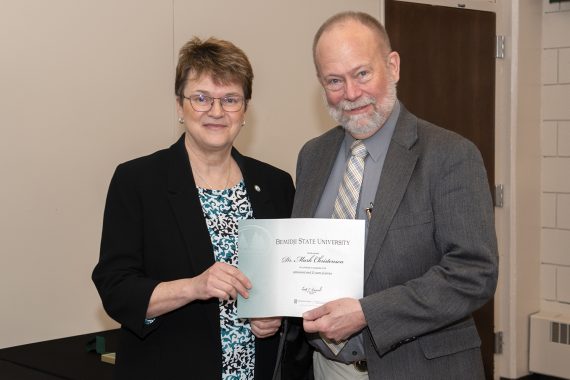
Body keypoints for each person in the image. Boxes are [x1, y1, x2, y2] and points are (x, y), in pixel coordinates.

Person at [285, 11, 498, 380]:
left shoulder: (450, 155)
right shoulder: (312, 156)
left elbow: (473, 272)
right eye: (335, 80)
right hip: (327, 368)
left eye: (362, 73)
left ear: (393, 66)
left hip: (419, 368)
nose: (351, 94)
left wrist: (368, 313)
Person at [92, 37, 294, 380]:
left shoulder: (275, 183)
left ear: (245, 110)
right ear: (179, 106)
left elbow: (291, 282)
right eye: (201, 98)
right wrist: (194, 287)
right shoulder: (138, 181)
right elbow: (116, 289)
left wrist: (277, 318)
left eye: (230, 99)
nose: (216, 111)